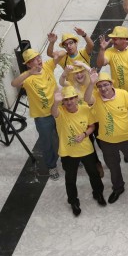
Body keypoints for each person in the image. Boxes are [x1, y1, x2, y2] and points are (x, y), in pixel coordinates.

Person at [88, 70, 128, 202]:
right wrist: (92, 83)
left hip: (127, 138)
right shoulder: (95, 96)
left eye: (105, 85)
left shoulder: (123, 94)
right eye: (99, 86)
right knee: (113, 166)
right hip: (107, 141)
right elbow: (86, 99)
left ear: (111, 84)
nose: (103, 88)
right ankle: (118, 188)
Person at [50, 86, 105, 216]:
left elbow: (92, 126)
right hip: (68, 152)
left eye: (72, 98)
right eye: (66, 99)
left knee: (94, 174)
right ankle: (73, 201)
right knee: (70, 179)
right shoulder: (60, 111)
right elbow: (53, 112)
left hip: (86, 149)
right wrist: (56, 101)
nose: (69, 102)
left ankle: (98, 193)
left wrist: (85, 134)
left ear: (76, 99)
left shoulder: (85, 109)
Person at [12, 47, 64, 178]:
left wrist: (52, 43)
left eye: (38, 57)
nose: (38, 61)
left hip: (58, 110)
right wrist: (30, 73)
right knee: (47, 143)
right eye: (33, 60)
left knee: (64, 135)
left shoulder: (47, 66)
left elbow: (62, 54)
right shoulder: (27, 78)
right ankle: (51, 166)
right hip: (42, 117)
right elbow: (14, 83)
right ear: (28, 64)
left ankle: (69, 157)